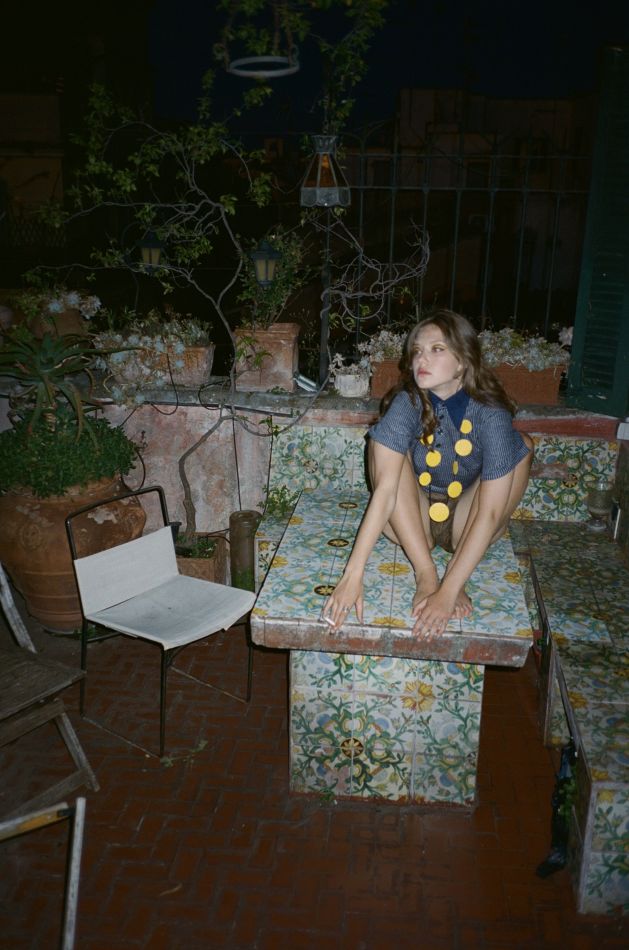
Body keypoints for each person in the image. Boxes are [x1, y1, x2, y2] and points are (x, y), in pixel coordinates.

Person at [323, 309, 534, 637]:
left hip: (467, 520)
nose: (422, 358)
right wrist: (353, 575)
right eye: (418, 350)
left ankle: (455, 572)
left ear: (462, 361)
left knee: (521, 446)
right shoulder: (408, 403)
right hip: (413, 524)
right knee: (383, 444)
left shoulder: (490, 413)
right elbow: (386, 491)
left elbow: (490, 512)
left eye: (437, 349)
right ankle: (426, 573)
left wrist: (450, 590)